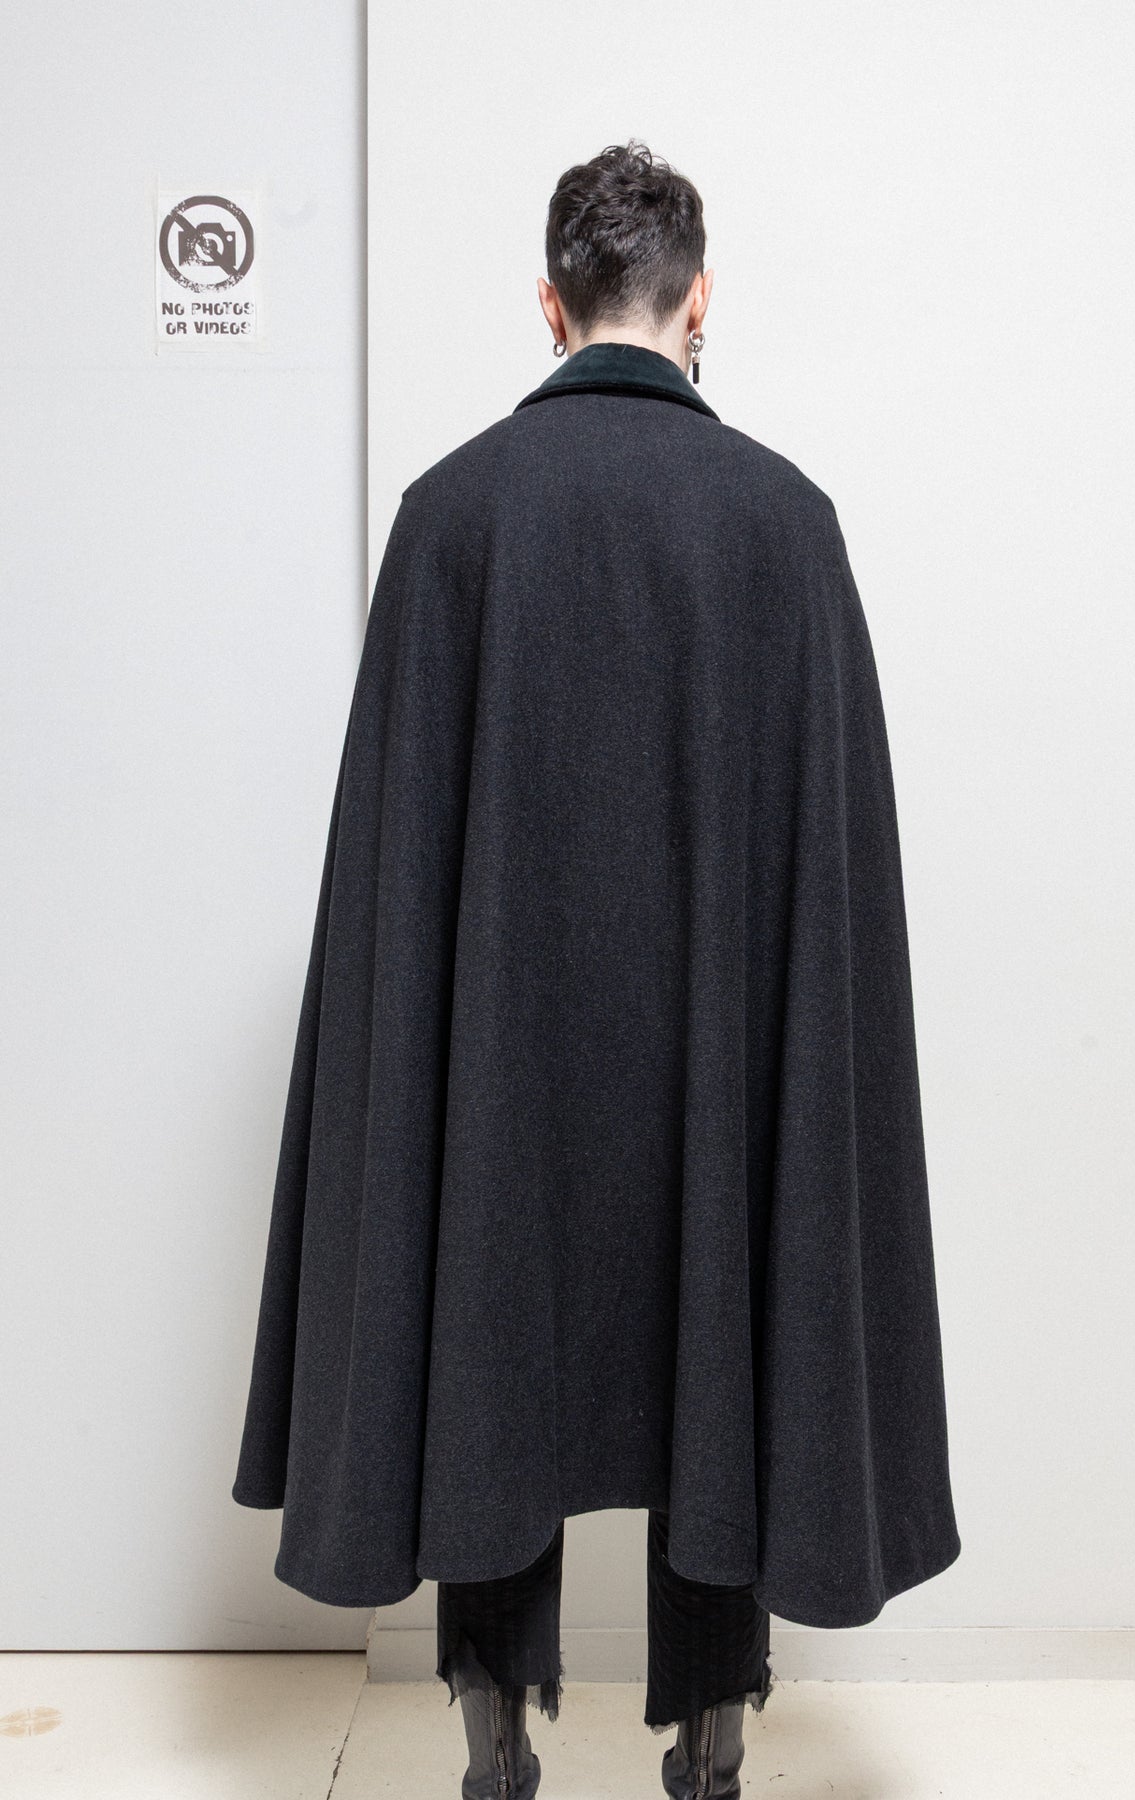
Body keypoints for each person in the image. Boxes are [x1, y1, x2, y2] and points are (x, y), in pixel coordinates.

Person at [231, 140, 961, 1800]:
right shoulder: (785, 525)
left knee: (490, 1315)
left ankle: (497, 1750)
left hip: (510, 1074)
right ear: (699, 305)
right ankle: (709, 1750)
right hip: (719, 1063)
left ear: (549, 308)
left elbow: (396, 879)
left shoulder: (452, 517)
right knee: (731, 1308)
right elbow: (829, 884)